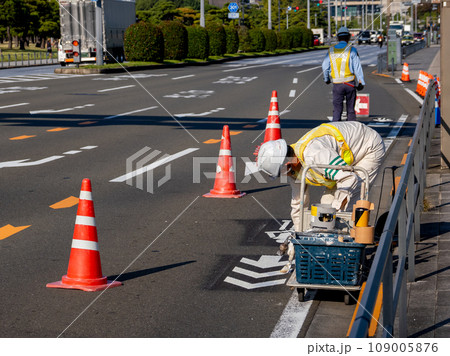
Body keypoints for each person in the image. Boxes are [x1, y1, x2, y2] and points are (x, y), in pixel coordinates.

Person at [257, 121, 385, 233]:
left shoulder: (314, 154)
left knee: (348, 206)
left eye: (280, 173)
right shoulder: (292, 167)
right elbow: (298, 205)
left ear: (287, 164)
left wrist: (334, 211)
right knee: (326, 206)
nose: (282, 176)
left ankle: (348, 246)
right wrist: (297, 236)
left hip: (368, 146)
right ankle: (333, 243)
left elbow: (349, 178)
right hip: (341, 158)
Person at [322, 27, 365, 122]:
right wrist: (361, 81)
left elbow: (325, 66)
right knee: (350, 110)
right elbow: (357, 67)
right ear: (349, 37)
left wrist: (326, 79)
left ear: (337, 38)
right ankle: (351, 133)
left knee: (337, 109)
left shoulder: (331, 51)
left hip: (337, 84)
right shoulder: (352, 50)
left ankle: (336, 133)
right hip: (350, 83)